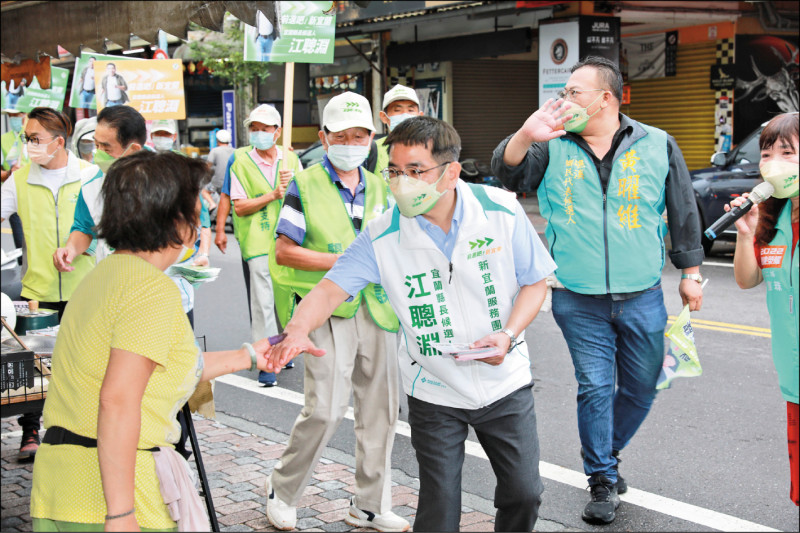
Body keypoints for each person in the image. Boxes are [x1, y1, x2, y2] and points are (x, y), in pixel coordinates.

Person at [265, 115, 554, 532]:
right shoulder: (382, 234)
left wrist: (507, 335)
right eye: (394, 172)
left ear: (451, 172)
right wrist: (295, 329)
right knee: (439, 507)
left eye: (415, 171)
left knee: (525, 493)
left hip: (503, 382)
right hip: (433, 388)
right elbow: (329, 291)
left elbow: (535, 282)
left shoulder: (501, 212)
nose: (402, 183)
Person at [490, 55, 705, 525]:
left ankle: (605, 450)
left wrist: (690, 272)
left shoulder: (657, 143)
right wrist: (527, 134)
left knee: (643, 385)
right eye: (565, 93)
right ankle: (603, 478)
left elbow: (682, 208)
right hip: (576, 295)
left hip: (643, 292)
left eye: (574, 93)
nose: (565, 100)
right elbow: (509, 175)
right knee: (595, 386)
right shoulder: (553, 145)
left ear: (606, 98)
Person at [29, 150, 279, 532]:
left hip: (59, 489)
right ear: (177, 219)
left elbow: (161, 367)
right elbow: (118, 399)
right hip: (113, 498)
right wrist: (120, 513)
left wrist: (248, 356)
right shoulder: (151, 290)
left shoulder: (100, 277)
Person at [262, 92, 408, 532]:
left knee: (381, 412)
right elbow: (285, 252)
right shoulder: (303, 184)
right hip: (326, 309)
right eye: (341, 135)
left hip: (379, 309)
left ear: (371, 138)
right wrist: (346, 262)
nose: (351, 142)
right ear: (324, 139)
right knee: (325, 408)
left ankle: (369, 504)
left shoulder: (385, 184)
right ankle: (283, 490)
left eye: (360, 135)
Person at [0, 107, 100, 461]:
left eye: (35, 139)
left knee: (82, 364)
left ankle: (77, 431)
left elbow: (104, 228)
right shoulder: (20, 179)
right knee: (30, 368)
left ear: (59, 142)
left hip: (86, 287)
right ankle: (30, 432)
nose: (29, 145)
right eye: (27, 138)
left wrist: (81, 248)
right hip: (37, 290)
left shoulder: (91, 175)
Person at [726, 112, 798, 507]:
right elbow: (747, 279)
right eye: (767, 153)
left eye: (787, 152)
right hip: (793, 374)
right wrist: (748, 232)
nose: (773, 163)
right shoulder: (774, 216)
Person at [227, 104, 302, 387]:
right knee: (263, 303)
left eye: (264, 129)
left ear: (277, 131)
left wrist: (292, 186)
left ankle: (285, 348)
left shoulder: (291, 160)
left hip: (289, 240)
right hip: (257, 242)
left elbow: (305, 195)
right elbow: (240, 206)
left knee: (287, 299)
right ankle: (267, 361)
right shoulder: (241, 161)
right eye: (253, 129)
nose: (258, 134)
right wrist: (274, 194)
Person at [53, 105, 145, 271]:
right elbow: (84, 228)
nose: (98, 153)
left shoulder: (167, 180)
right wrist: (70, 250)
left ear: (133, 149)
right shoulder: (90, 180)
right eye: (96, 145)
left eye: (106, 147)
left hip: (156, 285)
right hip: (111, 281)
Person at [373, 84, 423, 174]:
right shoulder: (373, 150)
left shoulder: (431, 147)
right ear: (384, 117)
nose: (404, 115)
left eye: (411, 110)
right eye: (397, 110)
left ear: (420, 116)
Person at [2, 107, 28, 263]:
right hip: (15, 195)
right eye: (11, 115)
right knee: (22, 248)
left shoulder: (35, 138)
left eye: (17, 114)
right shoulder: (4, 139)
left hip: (37, 197)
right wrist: (9, 173)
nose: (14, 118)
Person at [207, 129, 235, 195]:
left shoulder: (214, 151)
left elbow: (208, 166)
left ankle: (212, 204)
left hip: (217, 184)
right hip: (232, 183)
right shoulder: (235, 151)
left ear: (217, 140)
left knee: (204, 191)